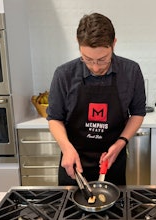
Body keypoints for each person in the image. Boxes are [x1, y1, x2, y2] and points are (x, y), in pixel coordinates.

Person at [46, 13, 146, 186]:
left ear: (113, 44)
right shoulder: (64, 74)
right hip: (73, 161)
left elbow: (137, 113)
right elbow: (54, 117)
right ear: (79, 46)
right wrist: (66, 148)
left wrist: (121, 142)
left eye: (102, 59)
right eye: (87, 59)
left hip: (112, 160)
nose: (95, 67)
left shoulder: (131, 71)